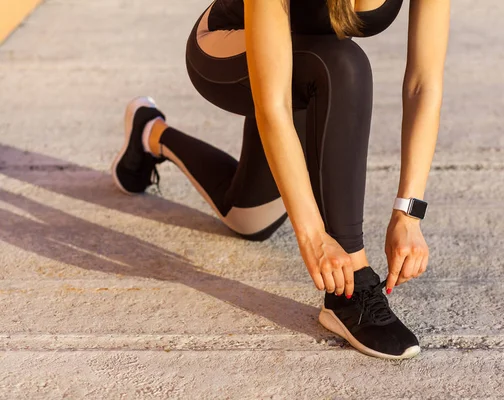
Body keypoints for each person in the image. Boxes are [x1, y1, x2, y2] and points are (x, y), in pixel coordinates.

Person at [112, 0, 449, 359]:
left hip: (305, 67)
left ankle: (150, 131)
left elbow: (423, 84)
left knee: (249, 219)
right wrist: (313, 236)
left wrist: (408, 214)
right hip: (229, 49)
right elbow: (273, 106)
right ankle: (351, 289)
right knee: (345, 63)